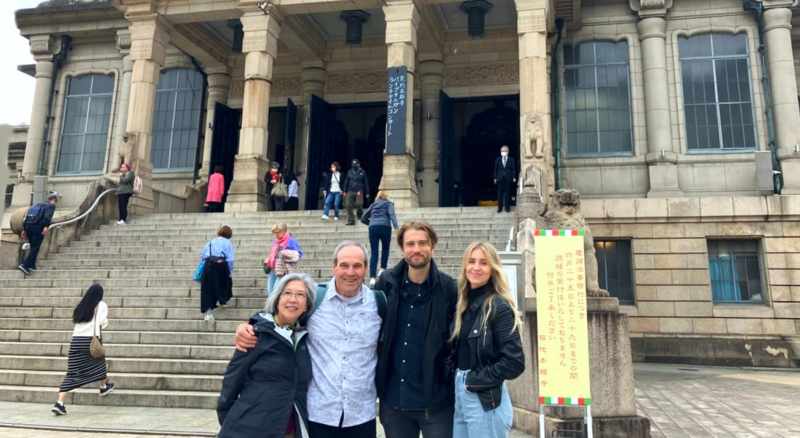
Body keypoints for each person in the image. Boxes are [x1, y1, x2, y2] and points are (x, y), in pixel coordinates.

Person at [237, 241, 385, 438]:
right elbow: (279, 315)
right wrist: (249, 325)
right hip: (318, 414)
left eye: (357, 266)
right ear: (334, 267)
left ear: (366, 268)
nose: (350, 272)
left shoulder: (379, 303)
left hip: (361, 415)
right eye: (344, 265)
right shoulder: (315, 298)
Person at [373, 222, 458, 438]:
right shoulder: (387, 283)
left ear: (433, 246)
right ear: (402, 248)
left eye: (422, 243)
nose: (416, 249)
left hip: (436, 401)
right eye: (410, 243)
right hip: (394, 400)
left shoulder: (449, 288)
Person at [217, 273, 317, 438]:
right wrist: (232, 424)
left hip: (290, 431)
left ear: (307, 305)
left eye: (300, 295)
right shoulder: (256, 334)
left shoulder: (304, 339)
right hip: (249, 430)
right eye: (287, 293)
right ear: (277, 300)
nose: (293, 299)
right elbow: (231, 383)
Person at [451, 242, 524, 438]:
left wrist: (473, 380)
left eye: (483, 263)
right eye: (471, 261)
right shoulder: (463, 305)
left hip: (484, 399)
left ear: (493, 269)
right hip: (460, 393)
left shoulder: (499, 307)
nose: (476, 267)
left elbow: (514, 362)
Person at [51, 283, 115, 415]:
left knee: (73, 373)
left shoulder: (81, 306)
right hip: (91, 342)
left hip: (76, 342)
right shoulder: (101, 305)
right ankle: (103, 386)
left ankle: (60, 403)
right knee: (100, 364)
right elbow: (103, 322)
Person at [361, 190, 399, 285]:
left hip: (373, 228)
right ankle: (382, 269)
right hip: (385, 227)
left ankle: (372, 278)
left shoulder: (373, 204)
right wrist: (397, 229)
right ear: (386, 197)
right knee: (385, 249)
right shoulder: (389, 203)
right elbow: (392, 215)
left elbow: (363, 218)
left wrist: (371, 223)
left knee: (374, 252)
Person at [199, 225, 235, 321]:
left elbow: (203, 255)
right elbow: (230, 259)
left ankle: (208, 313)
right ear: (229, 234)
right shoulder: (227, 243)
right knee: (224, 284)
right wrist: (229, 270)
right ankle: (222, 300)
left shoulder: (211, 242)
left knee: (207, 289)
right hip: (221, 265)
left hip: (208, 265)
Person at [18, 191, 59, 276]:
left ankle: (32, 265)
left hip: (28, 227)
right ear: (54, 199)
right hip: (38, 228)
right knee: (35, 248)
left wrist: (24, 229)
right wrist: (46, 226)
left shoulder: (36, 205)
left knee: (33, 246)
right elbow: (47, 217)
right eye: (56, 199)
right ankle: (25, 265)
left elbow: (26, 216)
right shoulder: (51, 206)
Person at [264, 223, 303, 296]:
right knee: (270, 291)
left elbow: (299, 254)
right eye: (275, 233)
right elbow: (273, 253)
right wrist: (268, 259)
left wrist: (286, 254)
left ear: (284, 231)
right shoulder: (275, 241)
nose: (276, 235)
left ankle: (276, 306)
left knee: (276, 290)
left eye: (278, 232)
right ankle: (273, 306)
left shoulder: (290, 241)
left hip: (283, 270)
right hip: (273, 269)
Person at [342, 159, 369, 226]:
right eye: (353, 164)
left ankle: (359, 213)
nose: (354, 165)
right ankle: (351, 220)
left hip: (359, 190)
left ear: (358, 164)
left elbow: (365, 182)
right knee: (347, 205)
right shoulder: (349, 172)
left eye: (355, 164)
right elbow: (346, 182)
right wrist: (344, 191)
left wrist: (367, 192)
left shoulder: (362, 172)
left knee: (359, 204)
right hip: (350, 190)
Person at [493, 145, 517, 213]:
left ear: (508, 152)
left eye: (505, 151)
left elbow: (513, 169)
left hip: (508, 178)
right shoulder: (498, 159)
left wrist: (514, 177)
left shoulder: (511, 159)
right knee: (499, 194)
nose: (503, 152)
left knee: (507, 193)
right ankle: (499, 208)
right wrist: (495, 178)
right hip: (500, 179)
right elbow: (496, 169)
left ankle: (507, 207)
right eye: (502, 151)